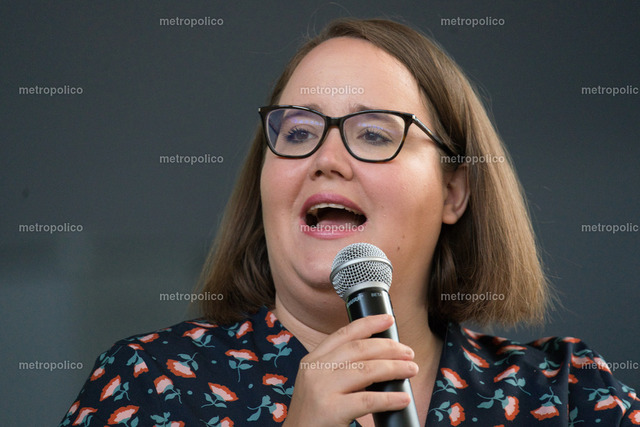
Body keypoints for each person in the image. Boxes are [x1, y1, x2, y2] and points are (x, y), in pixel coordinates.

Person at [59, 18, 640, 427]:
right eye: (298, 132)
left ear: (453, 191)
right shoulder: (145, 384)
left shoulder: (569, 395)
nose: (326, 159)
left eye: (374, 134)